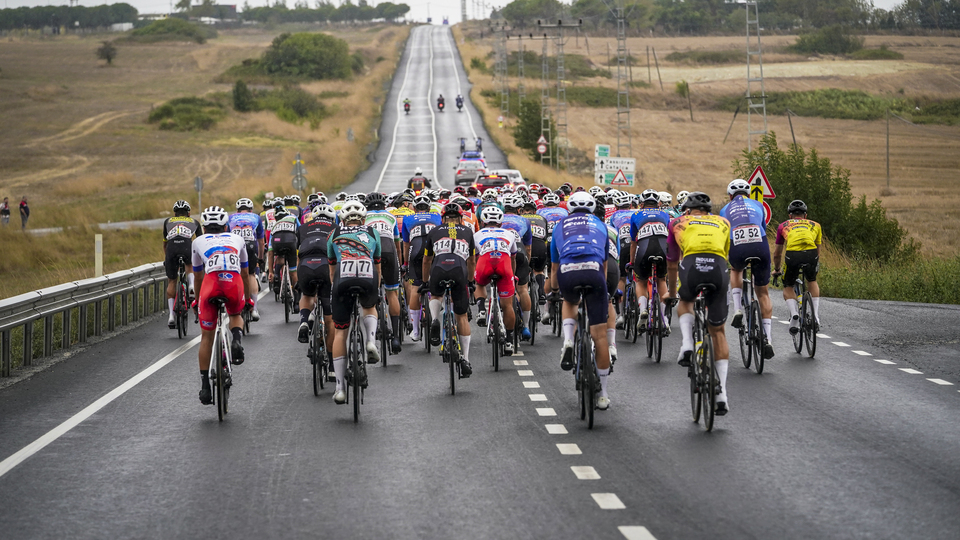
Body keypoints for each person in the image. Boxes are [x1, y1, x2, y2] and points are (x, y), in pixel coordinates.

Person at [666, 192, 732, 416]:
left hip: (692, 266)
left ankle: (686, 344)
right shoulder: (723, 222)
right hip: (718, 268)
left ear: (687, 210)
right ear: (709, 211)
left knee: (685, 302)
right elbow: (726, 254)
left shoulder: (677, 222)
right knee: (718, 330)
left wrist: (672, 293)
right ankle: (722, 395)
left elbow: (672, 263)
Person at [548, 192, 616, 410]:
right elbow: (605, 265)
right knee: (600, 336)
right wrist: (600, 291)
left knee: (570, 301)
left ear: (569, 208)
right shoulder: (601, 225)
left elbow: (554, 268)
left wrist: (555, 291)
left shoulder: (559, 226)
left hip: (568, 270)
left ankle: (568, 340)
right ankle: (603, 394)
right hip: (594, 271)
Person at [191, 206, 251, 405]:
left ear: (204, 228)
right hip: (233, 283)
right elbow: (245, 273)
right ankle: (236, 339)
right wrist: (247, 300)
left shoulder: (197, 242)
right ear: (226, 226)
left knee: (206, 336)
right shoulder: (237, 239)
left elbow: (197, 276)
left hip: (210, 285)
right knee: (235, 315)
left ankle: (205, 386)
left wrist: (197, 299)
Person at [327, 201, 382, 404]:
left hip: (342, 277)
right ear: (363, 219)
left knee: (340, 331)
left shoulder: (333, 234)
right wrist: (376, 289)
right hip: (368, 274)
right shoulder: (373, 232)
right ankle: (370, 341)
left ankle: (340, 388)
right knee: (369, 307)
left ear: (342, 220)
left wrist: (336, 291)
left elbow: (331, 271)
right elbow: (378, 266)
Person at [720, 179, 775, 359]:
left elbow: (724, 236)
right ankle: (768, 339)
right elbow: (763, 228)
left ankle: (737, 309)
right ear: (749, 194)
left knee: (736, 270)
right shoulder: (759, 205)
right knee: (763, 293)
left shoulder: (725, 209)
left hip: (738, 246)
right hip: (760, 246)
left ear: (730, 196)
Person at [423, 202, 476, 376]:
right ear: (460, 219)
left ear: (443, 218)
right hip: (459, 270)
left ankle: (434, 319)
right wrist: (470, 281)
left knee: (436, 295)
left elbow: (426, 260)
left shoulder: (434, 231)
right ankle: (466, 359)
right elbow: (472, 261)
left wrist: (424, 281)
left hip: (439, 268)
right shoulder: (468, 231)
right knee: (462, 316)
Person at [297, 203, 338, 377]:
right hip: (325, 266)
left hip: (305, 265)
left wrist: (298, 278)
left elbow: (298, 253)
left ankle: (304, 320)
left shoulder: (303, 227)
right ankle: (332, 367)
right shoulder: (336, 228)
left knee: (307, 294)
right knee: (330, 321)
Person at [473, 205, 519, 355]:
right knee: (508, 306)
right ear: (500, 222)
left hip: (485, 261)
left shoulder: (477, 234)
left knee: (479, 284)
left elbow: (473, 258)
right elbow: (513, 258)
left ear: (483, 221)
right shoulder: (509, 234)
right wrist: (512, 275)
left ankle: (481, 309)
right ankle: (509, 341)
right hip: (504, 263)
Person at [772, 199, 823, 334]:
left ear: (790, 215)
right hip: (811, 254)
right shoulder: (816, 225)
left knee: (788, 285)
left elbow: (777, 253)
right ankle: (815, 317)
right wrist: (814, 264)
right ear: (805, 215)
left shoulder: (783, 226)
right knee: (812, 280)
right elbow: (818, 249)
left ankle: (794, 314)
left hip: (793, 255)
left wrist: (777, 269)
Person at [365, 191, 403, 353]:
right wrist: (399, 264)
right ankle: (396, 337)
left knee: (371, 291)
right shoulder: (390, 216)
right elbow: (398, 246)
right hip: (389, 250)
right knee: (392, 293)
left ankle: (374, 330)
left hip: (372, 251)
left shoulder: (364, 217)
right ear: (384, 205)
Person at [628, 190, 671, 333]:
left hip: (644, 248)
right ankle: (664, 319)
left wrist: (632, 262)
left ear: (641, 204)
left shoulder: (636, 214)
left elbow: (633, 242)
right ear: (658, 203)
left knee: (641, 281)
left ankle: (643, 310)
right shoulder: (664, 214)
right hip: (663, 248)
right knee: (661, 280)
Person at [400, 195, 442, 341]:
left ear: (414, 208)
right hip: (434, 248)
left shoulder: (408, 218)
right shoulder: (437, 215)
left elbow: (406, 244)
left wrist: (406, 264)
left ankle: (416, 331)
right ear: (429, 208)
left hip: (416, 248)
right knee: (436, 283)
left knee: (414, 288)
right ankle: (435, 313)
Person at [162, 200, 201, 329]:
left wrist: (167, 258)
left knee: (172, 281)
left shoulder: (167, 221)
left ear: (174, 213)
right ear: (188, 213)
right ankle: (191, 285)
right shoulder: (194, 222)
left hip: (171, 249)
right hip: (187, 246)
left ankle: (171, 316)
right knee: (189, 265)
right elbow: (200, 242)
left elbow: (165, 243)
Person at [501, 195, 534, 341]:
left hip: (502, 253)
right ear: (519, 210)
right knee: (523, 289)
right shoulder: (524, 220)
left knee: (500, 286)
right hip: (520, 252)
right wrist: (527, 264)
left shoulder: (498, 219)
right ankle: (526, 326)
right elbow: (528, 248)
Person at [229, 198, 264, 322]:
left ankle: (233, 305)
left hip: (234, 247)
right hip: (250, 246)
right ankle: (254, 309)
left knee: (234, 274)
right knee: (251, 275)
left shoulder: (230, 218)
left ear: (237, 210)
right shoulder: (256, 217)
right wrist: (260, 258)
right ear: (251, 210)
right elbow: (261, 241)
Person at [607, 190, 637, 328]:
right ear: (630, 205)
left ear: (616, 206)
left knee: (621, 279)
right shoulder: (636, 214)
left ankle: (620, 315)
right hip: (637, 245)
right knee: (641, 279)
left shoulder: (613, 216)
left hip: (623, 246)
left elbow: (612, 236)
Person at [267, 203, 300, 305]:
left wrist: (271, 272)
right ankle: (297, 301)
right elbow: (300, 231)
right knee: (293, 272)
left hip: (277, 241)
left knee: (279, 256)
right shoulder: (293, 217)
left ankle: (276, 275)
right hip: (290, 241)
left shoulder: (275, 225)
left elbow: (270, 252)